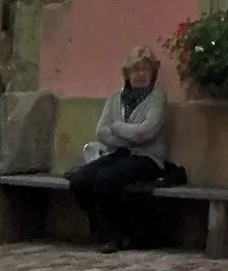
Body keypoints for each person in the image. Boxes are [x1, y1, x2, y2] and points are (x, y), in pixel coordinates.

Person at [66, 47, 169, 250]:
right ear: (127, 74)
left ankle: (111, 237)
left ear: (152, 74)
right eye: (135, 70)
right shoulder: (115, 97)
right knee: (80, 179)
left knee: (107, 179)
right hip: (117, 153)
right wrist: (128, 138)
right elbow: (101, 132)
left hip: (147, 158)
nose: (140, 75)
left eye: (145, 70)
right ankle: (102, 227)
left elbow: (146, 132)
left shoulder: (157, 98)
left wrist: (117, 128)